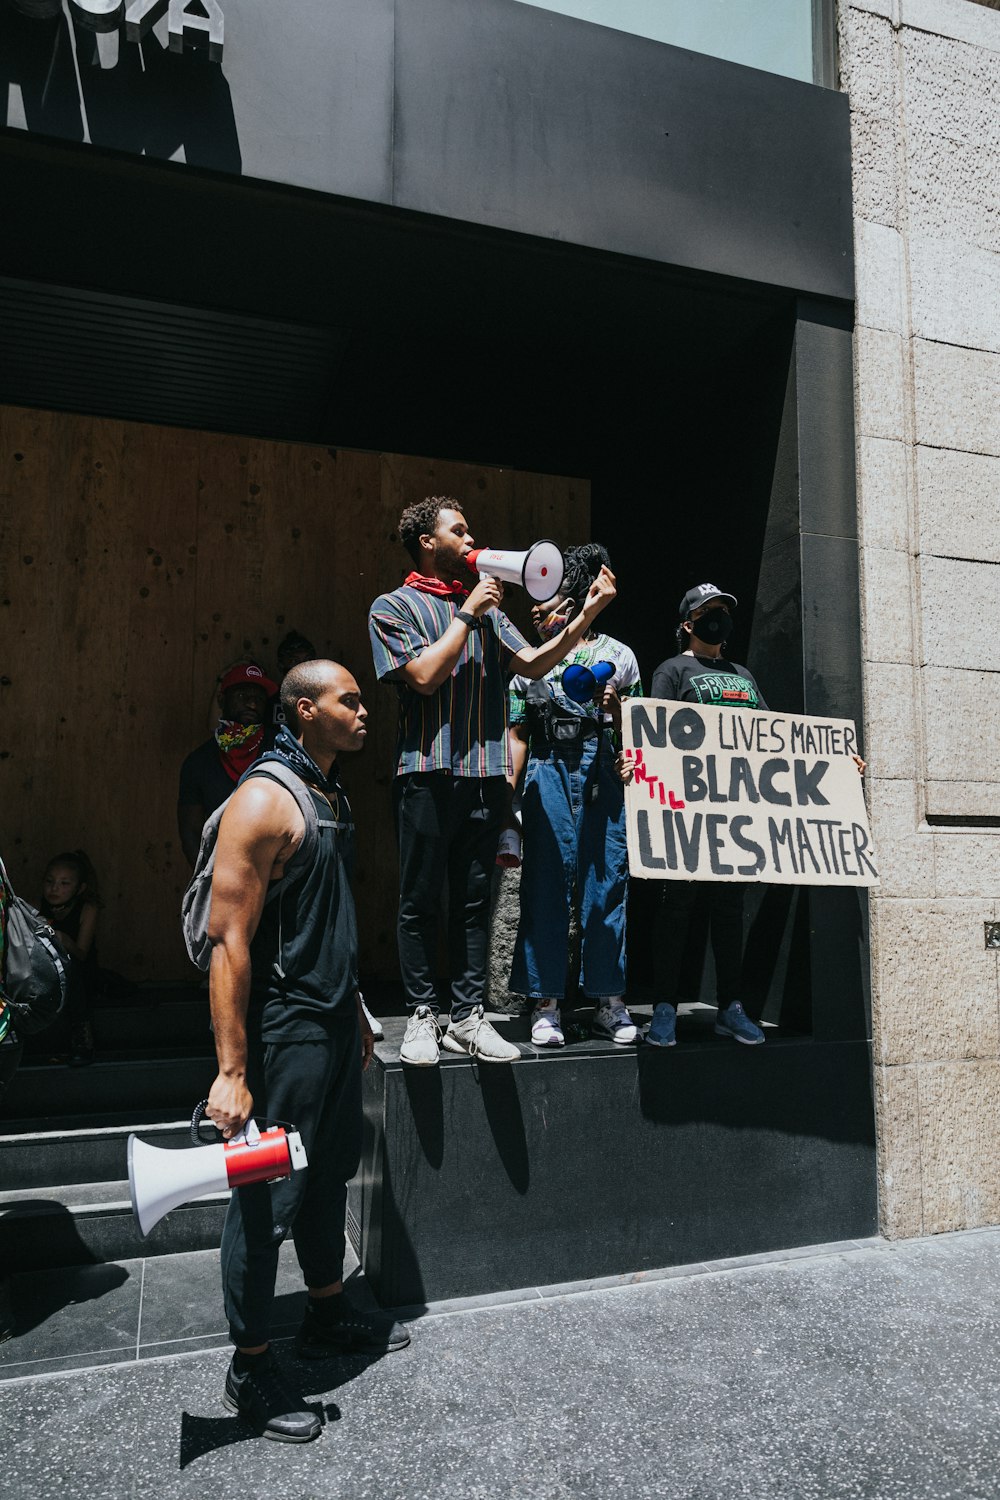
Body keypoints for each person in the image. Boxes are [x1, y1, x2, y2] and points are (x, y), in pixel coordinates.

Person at [205, 659, 408, 1445]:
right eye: (348, 701)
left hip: (330, 1024)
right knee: (266, 1205)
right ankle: (250, 1365)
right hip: (283, 1034)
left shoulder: (326, 791)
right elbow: (229, 941)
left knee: (326, 1180)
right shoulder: (264, 798)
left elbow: (322, 916)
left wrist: (353, 1007)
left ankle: (325, 1314)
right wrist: (231, 1071)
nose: (364, 711)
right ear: (303, 710)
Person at [368, 496, 616, 1067]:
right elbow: (426, 677)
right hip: (426, 774)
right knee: (420, 903)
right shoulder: (394, 606)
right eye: (459, 530)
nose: (470, 537)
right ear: (428, 542)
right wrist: (467, 616)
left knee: (474, 903)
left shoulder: (484, 606)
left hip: (483, 776)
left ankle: (469, 1016)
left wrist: (587, 616)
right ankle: (423, 1015)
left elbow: (533, 663)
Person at [507, 544, 643, 1047]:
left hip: (600, 764)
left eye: (542, 608)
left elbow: (640, 728)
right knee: (545, 882)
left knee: (606, 878)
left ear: (568, 603)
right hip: (546, 763)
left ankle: (610, 1000)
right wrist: (511, 799)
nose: (535, 616)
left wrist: (617, 710)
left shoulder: (619, 655)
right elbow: (517, 732)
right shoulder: (528, 658)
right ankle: (546, 1006)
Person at [646, 584, 768, 1048]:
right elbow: (653, 730)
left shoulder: (744, 675)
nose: (717, 617)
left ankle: (731, 1006)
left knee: (728, 909)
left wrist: (835, 764)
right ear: (688, 624)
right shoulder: (673, 670)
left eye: (722, 611)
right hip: (685, 812)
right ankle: (663, 1005)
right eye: (707, 611)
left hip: (732, 814)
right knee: (675, 907)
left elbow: (776, 738)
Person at [177, 662, 277, 867]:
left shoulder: (281, 750)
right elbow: (190, 832)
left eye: (259, 699)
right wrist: (207, 882)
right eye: (243, 696)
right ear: (222, 699)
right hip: (222, 874)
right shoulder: (199, 761)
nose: (252, 704)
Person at [38, 849, 101, 1066]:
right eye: (50, 881)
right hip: (49, 970)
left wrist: (64, 940)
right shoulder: (43, 906)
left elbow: (82, 953)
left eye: (64, 884)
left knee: (69, 966)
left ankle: (83, 1040)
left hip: (81, 972)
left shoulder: (87, 908)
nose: (54, 889)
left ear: (79, 888)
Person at [265, 631, 317, 749]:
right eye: (294, 660)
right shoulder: (270, 699)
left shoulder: (322, 697)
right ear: (281, 665)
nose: (302, 666)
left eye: (307, 660)